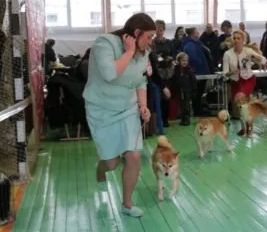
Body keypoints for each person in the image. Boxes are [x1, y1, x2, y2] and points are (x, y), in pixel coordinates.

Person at [82, 13, 156, 218]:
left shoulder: (144, 53)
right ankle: (101, 169)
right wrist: (130, 51)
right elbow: (109, 74)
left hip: (127, 109)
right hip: (101, 110)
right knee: (112, 163)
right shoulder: (104, 43)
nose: (151, 42)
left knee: (133, 156)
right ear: (137, 33)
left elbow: (141, 81)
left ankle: (127, 204)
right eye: (148, 37)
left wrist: (143, 106)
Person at [222, 30, 266, 136]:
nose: (236, 40)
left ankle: (248, 127)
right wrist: (232, 72)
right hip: (235, 82)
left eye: (238, 38)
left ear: (243, 40)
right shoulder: (227, 54)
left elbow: (263, 60)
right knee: (239, 105)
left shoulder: (248, 51)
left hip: (248, 80)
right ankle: (245, 127)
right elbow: (225, 73)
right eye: (234, 38)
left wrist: (259, 58)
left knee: (240, 97)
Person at [172, 52, 196, 126]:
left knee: (187, 105)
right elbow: (174, 79)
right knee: (181, 105)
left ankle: (187, 119)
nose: (184, 62)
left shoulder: (189, 70)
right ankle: (183, 119)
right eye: (183, 61)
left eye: (186, 61)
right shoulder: (176, 69)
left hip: (187, 90)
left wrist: (193, 90)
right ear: (179, 61)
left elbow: (193, 80)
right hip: (179, 90)